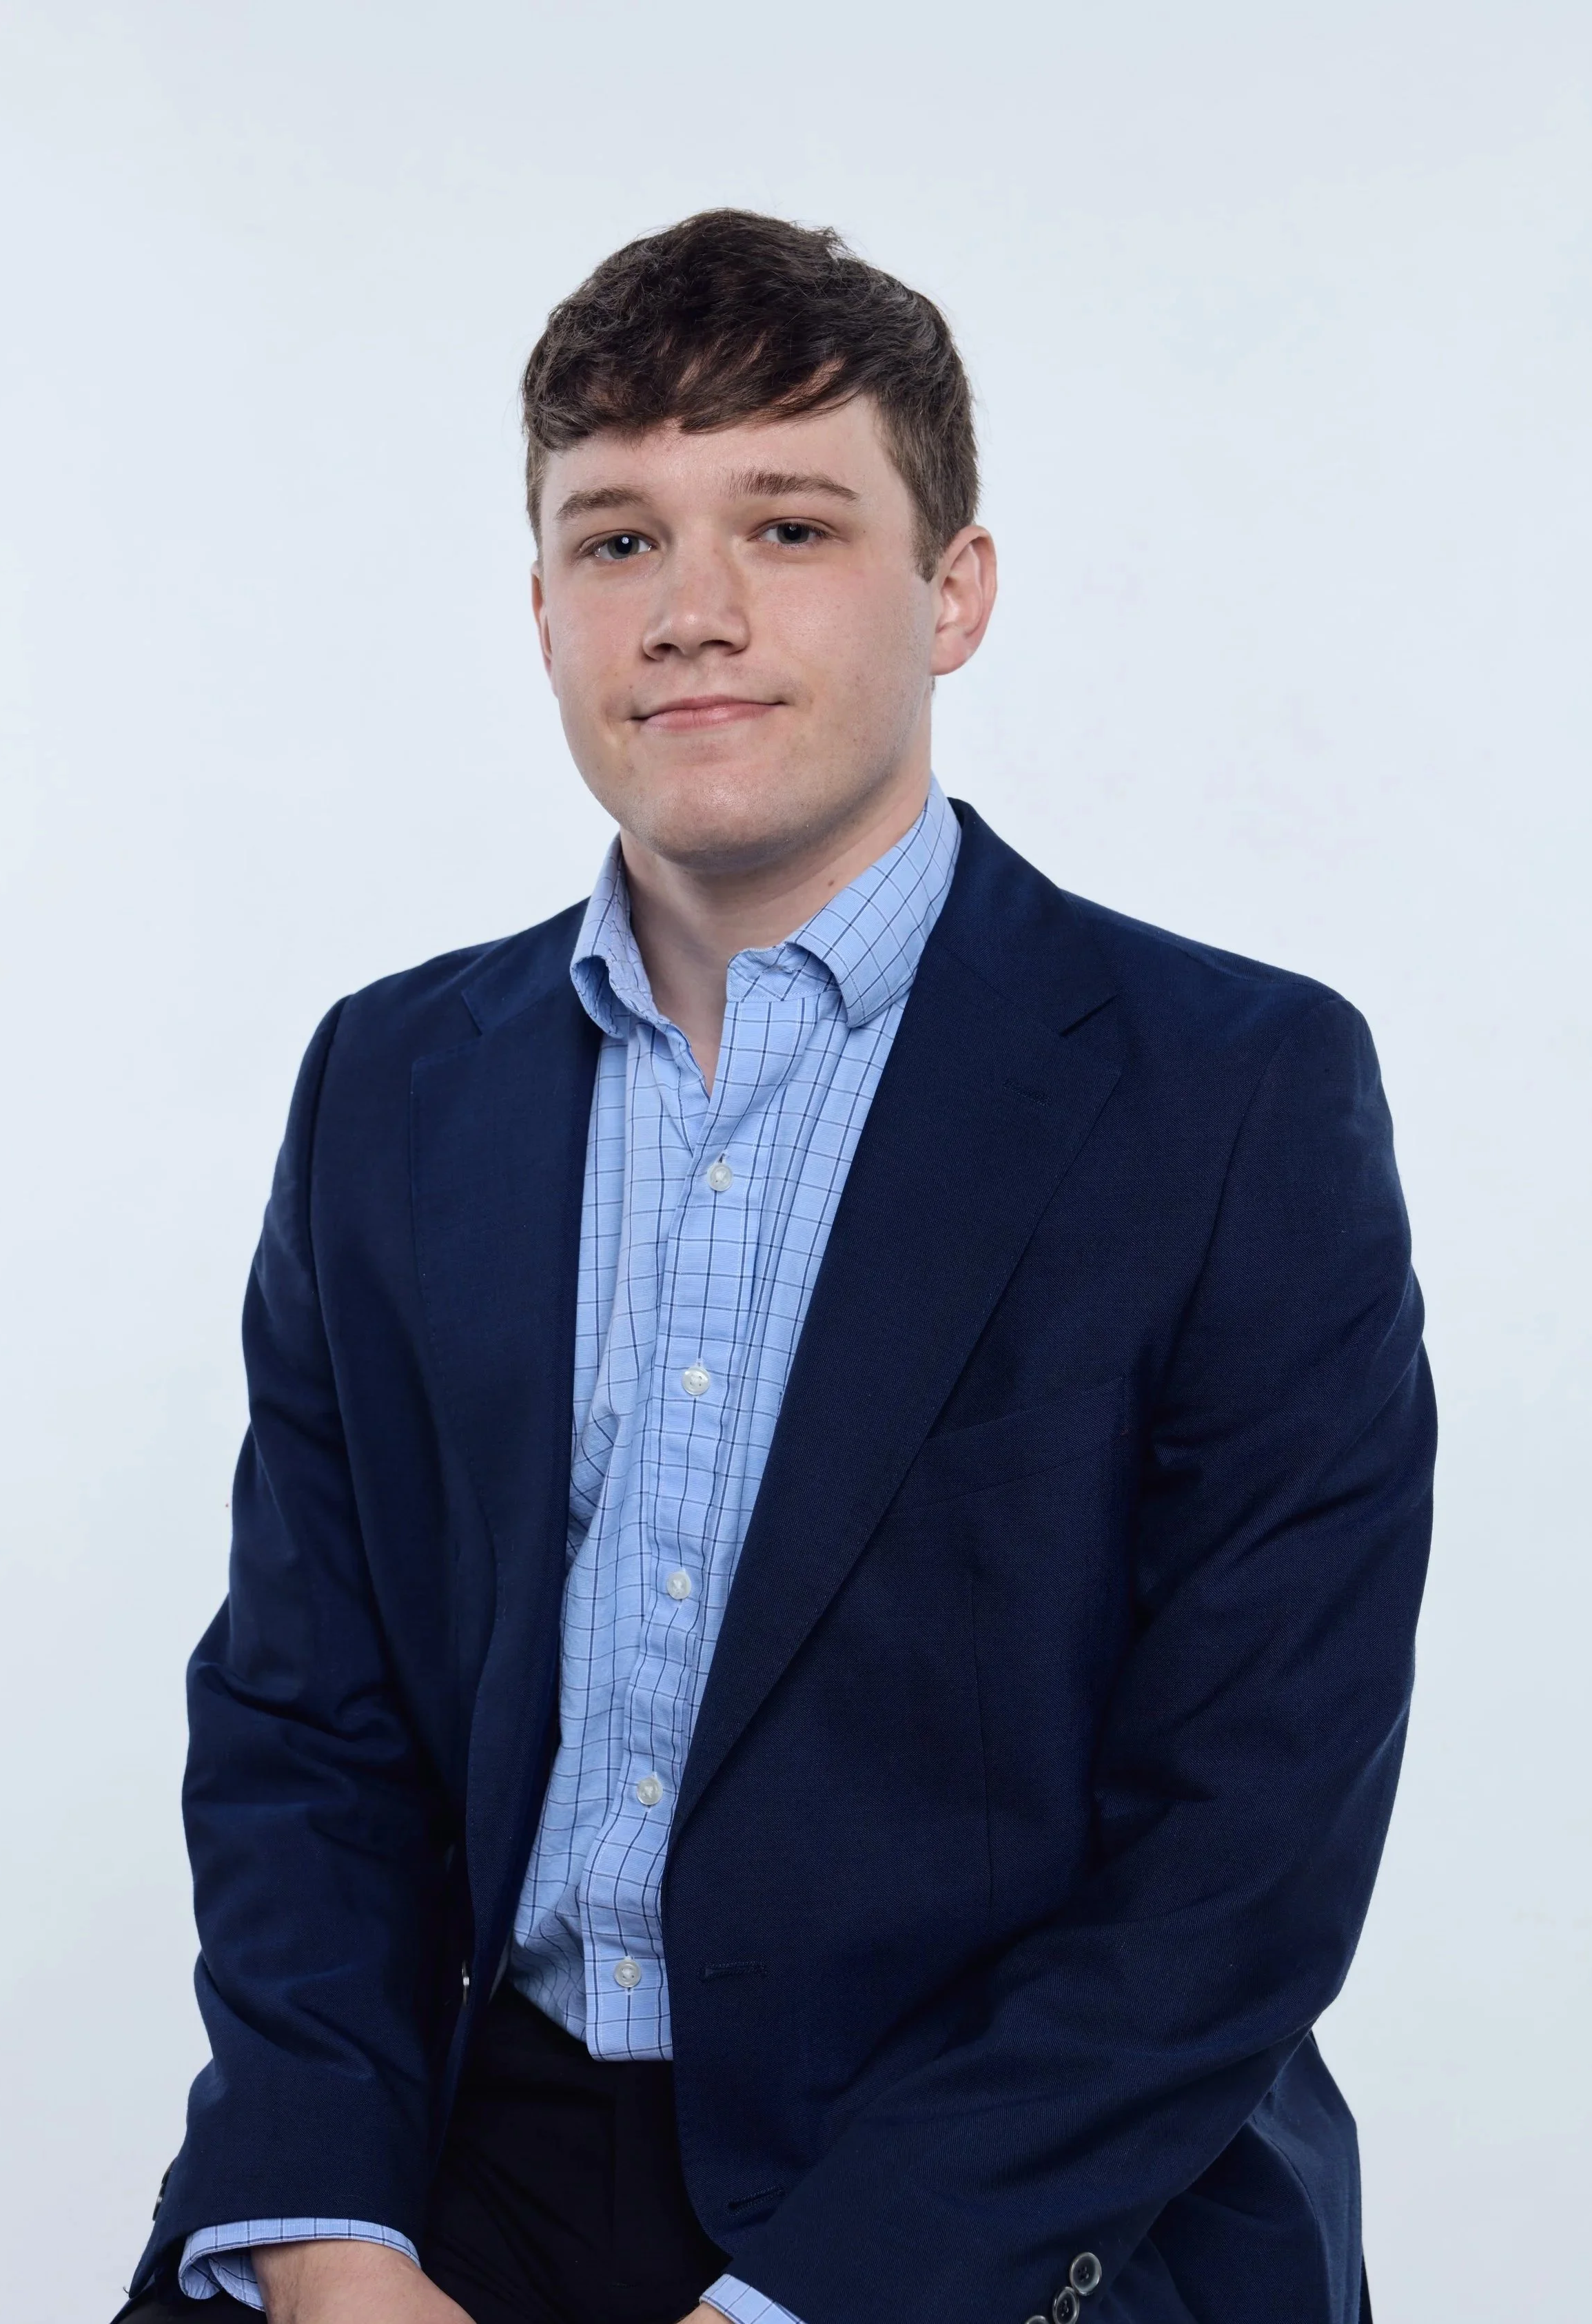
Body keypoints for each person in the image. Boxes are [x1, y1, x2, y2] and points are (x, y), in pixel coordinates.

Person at [115, 210, 1431, 2324]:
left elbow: (1243, 1844)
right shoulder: (394, 1081)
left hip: (995, 2190)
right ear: (540, 604)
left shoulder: (1230, 1090)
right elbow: (302, 1728)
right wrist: (331, 2228)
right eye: (618, 538)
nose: (692, 611)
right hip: (473, 2144)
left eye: (790, 525)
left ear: (953, 589)